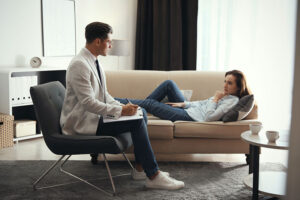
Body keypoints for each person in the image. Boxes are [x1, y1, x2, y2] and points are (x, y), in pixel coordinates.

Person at [60, 22, 184, 190]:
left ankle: (140, 169)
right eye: (109, 41)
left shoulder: (94, 61)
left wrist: (124, 106)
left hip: (95, 117)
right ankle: (153, 175)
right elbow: (88, 103)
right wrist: (120, 111)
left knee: (140, 112)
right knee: (137, 121)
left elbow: (104, 95)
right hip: (84, 122)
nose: (111, 46)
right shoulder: (79, 64)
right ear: (98, 41)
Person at [116, 70, 251, 122]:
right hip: (188, 110)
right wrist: (184, 104)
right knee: (169, 84)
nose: (225, 85)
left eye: (230, 83)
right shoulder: (225, 96)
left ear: (239, 87)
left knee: (151, 104)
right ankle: (140, 111)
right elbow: (202, 103)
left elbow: (209, 118)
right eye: (225, 81)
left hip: (190, 117)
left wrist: (215, 99)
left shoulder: (231, 101)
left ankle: (115, 101)